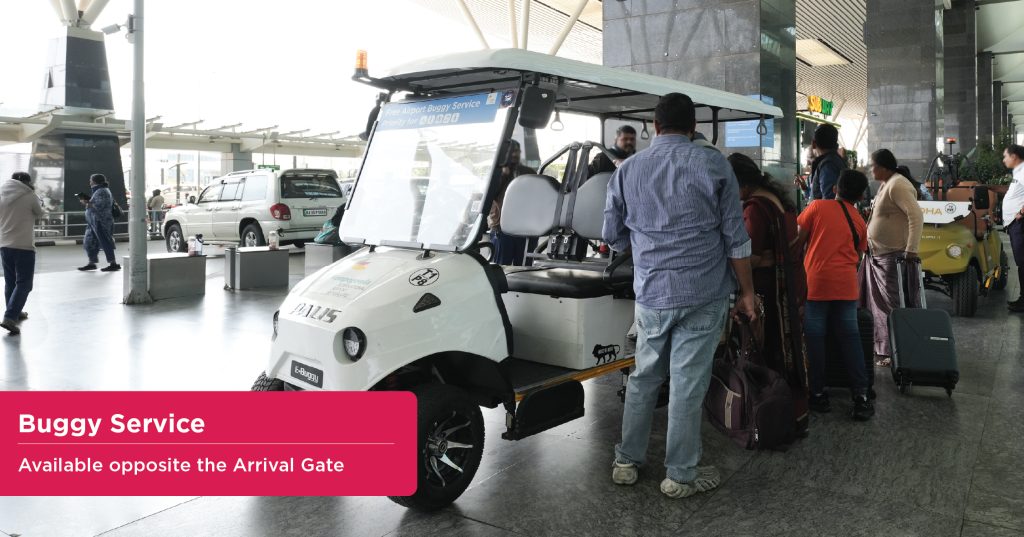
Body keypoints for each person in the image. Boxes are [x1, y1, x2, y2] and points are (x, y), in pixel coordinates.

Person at [604, 93, 758, 499]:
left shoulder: (627, 169)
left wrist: (645, 244)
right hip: (703, 293)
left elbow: (612, 235)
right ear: (694, 129)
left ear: (654, 127)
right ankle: (680, 476)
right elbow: (736, 241)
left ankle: (626, 462)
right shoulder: (713, 164)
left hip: (652, 293)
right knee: (688, 383)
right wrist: (747, 293)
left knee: (643, 378)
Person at [728, 153, 809, 434]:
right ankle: (795, 414)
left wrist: (735, 257)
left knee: (767, 354)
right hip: (791, 287)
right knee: (790, 352)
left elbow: (745, 255)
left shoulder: (755, 208)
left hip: (769, 293)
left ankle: (770, 418)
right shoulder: (779, 202)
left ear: (740, 183)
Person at [797, 170, 874, 420]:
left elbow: (797, 239)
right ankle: (861, 395)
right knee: (851, 339)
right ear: (861, 195)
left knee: (815, 339)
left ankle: (818, 394)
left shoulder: (817, 206)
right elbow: (860, 254)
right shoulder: (860, 220)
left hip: (816, 284)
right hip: (846, 286)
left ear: (834, 189)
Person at [861, 149, 923, 366]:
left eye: (873, 165)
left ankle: (895, 349)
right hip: (879, 254)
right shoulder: (886, 183)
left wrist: (911, 249)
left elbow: (916, 215)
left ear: (884, 166)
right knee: (878, 305)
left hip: (892, 255)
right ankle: (884, 347)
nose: (871, 169)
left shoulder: (898, 184)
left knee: (890, 303)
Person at [0, 172, 44, 335]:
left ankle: (15, 312)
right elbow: (40, 214)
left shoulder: (2, 194)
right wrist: (40, 203)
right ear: (26, 182)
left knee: (11, 282)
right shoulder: (30, 195)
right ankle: (10, 317)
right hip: (24, 245)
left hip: (4, 244)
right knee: (25, 283)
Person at [487, 140, 537, 265]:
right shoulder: (495, 172)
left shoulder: (529, 172)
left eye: (517, 151)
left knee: (525, 267)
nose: (515, 154)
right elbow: (490, 196)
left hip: (526, 228)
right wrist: (503, 175)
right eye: (512, 151)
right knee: (501, 267)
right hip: (502, 227)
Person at [79, 173, 120, 272]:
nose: (89, 181)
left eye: (91, 179)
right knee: (90, 241)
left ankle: (113, 263)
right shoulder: (99, 191)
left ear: (95, 181)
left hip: (100, 221)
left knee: (105, 241)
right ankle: (91, 262)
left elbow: (99, 206)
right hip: (93, 221)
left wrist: (87, 203)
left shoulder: (102, 191)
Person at [796, 124, 846, 201]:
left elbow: (828, 202)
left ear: (813, 143)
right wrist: (805, 189)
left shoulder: (828, 165)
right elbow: (818, 197)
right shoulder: (835, 161)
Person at [1003, 144, 1024, 312]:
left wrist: (1021, 213)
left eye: (1005, 156)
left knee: (1023, 263)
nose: (1004, 159)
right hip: (1014, 224)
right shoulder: (1017, 172)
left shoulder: (1023, 171)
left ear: (1014, 156)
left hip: (1020, 224)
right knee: (1021, 263)